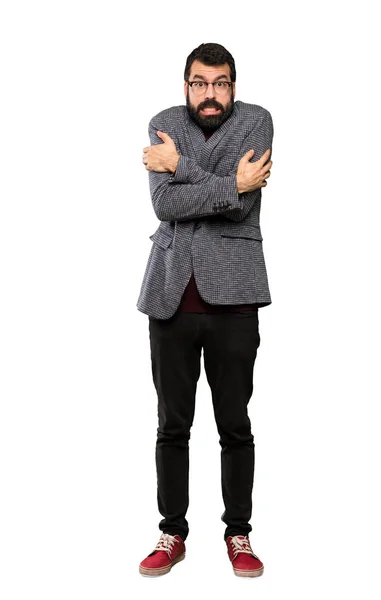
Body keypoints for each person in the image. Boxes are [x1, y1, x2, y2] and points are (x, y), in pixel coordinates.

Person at [137, 42, 273, 578]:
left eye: (219, 83)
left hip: (235, 297)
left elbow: (246, 201)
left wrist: (181, 167)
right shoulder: (163, 121)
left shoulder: (257, 121)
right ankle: (172, 533)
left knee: (234, 423)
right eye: (199, 83)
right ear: (186, 85)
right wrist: (226, 182)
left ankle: (238, 533)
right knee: (172, 424)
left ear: (233, 87)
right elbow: (163, 204)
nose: (209, 93)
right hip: (170, 294)